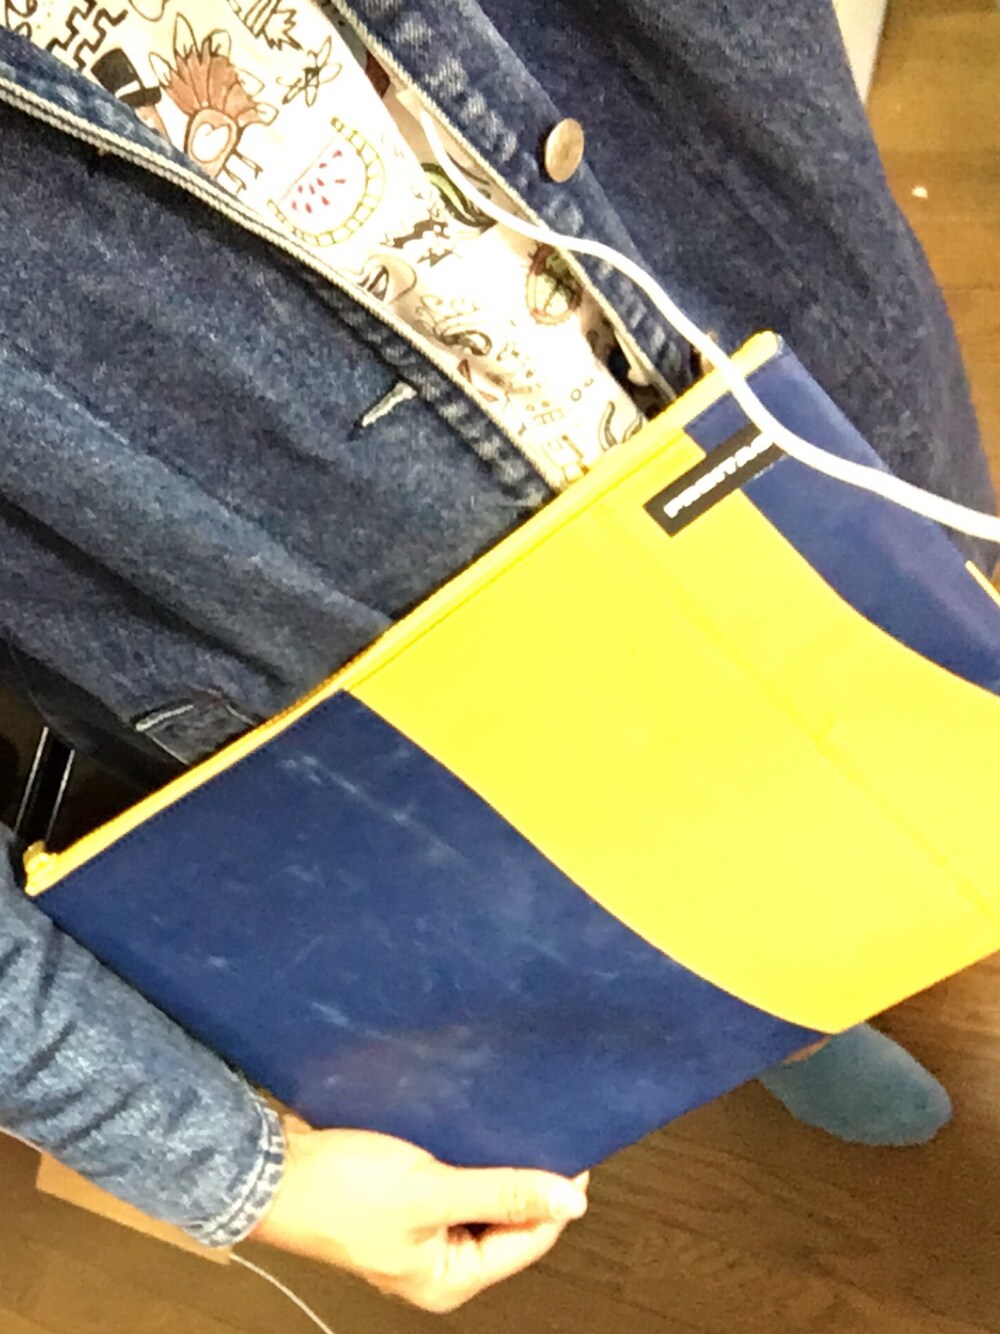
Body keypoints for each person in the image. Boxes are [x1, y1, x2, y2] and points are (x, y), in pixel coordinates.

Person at [0, 0, 980, 1312]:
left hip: (682, 239)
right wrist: (229, 1165)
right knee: (661, 878)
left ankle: (836, 964)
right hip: (333, 617)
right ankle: (790, 1020)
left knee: (907, 680)